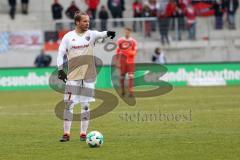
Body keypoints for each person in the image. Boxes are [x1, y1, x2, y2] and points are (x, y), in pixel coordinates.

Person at [57, 11, 116, 142]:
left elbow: (102, 34)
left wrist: (109, 33)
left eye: (88, 21)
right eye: (84, 21)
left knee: (85, 105)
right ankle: (66, 133)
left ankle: (83, 133)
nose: (87, 23)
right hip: (73, 76)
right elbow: (60, 53)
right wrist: (60, 69)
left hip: (89, 75)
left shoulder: (92, 34)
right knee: (69, 104)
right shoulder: (68, 37)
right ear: (77, 22)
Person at [115, 27, 137, 97]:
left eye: (128, 32)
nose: (127, 33)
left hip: (130, 61)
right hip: (122, 61)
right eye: (126, 32)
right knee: (122, 76)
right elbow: (117, 52)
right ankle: (123, 91)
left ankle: (131, 92)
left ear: (130, 32)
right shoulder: (120, 40)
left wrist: (132, 53)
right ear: (124, 32)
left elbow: (135, 51)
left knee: (131, 76)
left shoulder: (133, 41)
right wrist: (117, 61)